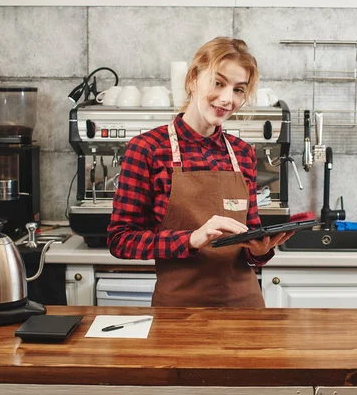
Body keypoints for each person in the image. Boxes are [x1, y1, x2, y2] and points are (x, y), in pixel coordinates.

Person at [108, 37, 292, 307]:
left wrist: (261, 250)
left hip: (244, 307)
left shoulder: (243, 153)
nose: (227, 99)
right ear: (193, 78)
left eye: (238, 90)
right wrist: (192, 239)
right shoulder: (147, 149)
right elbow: (120, 239)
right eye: (218, 83)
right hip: (179, 311)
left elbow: (251, 234)